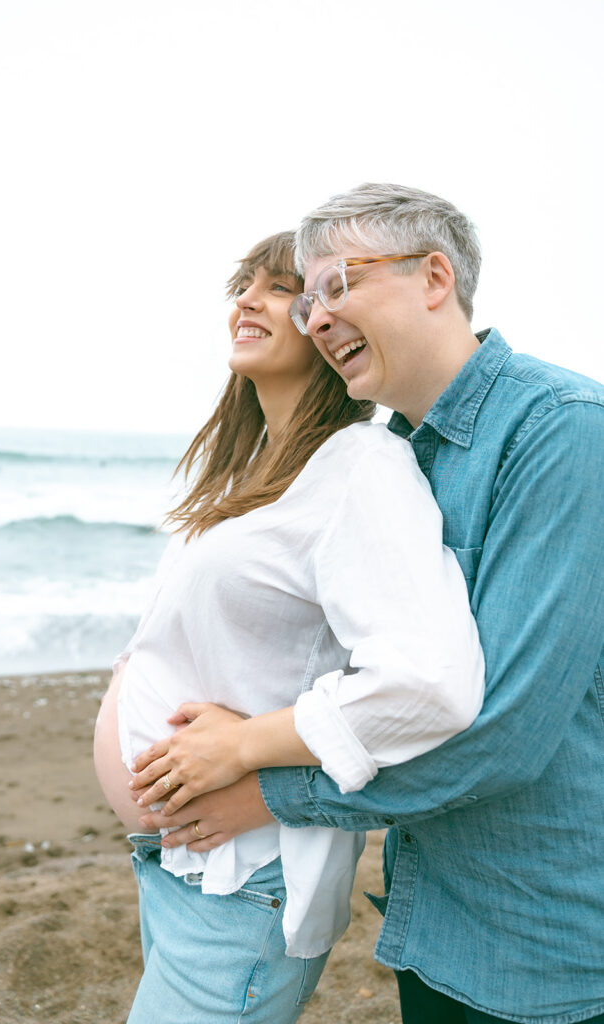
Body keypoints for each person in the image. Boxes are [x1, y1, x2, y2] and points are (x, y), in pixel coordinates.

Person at [135, 186, 604, 1024]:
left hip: (548, 947)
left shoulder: (563, 431)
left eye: (336, 287)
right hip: (438, 918)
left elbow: (503, 734)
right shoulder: (402, 453)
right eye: (306, 299)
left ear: (434, 277)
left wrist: (263, 786)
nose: (315, 318)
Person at [93, 229, 486, 1024]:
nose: (247, 300)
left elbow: (427, 683)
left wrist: (248, 744)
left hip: (242, 883)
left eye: (280, 289)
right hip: (182, 869)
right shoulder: (252, 472)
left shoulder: (359, 468)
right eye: (244, 283)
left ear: (328, 325)